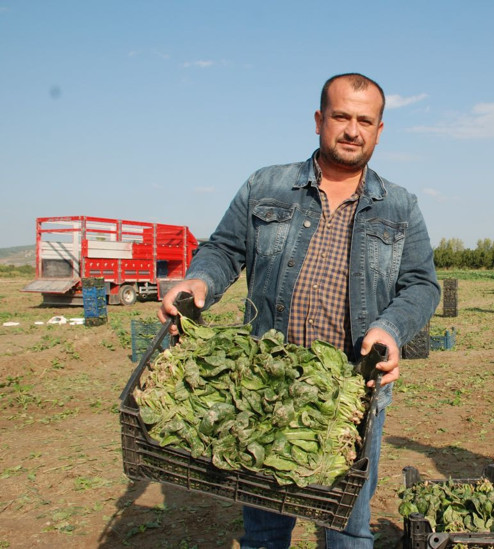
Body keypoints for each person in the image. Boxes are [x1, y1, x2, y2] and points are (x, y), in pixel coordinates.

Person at [158, 73, 441, 549]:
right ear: (319, 121)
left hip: (351, 391)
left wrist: (391, 330)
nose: (352, 130)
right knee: (265, 527)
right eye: (341, 117)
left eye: (364, 120)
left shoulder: (400, 206)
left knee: (348, 524)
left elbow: (421, 284)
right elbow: (225, 248)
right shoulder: (266, 186)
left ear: (379, 130)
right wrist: (200, 279)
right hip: (269, 383)